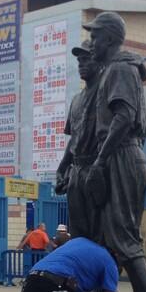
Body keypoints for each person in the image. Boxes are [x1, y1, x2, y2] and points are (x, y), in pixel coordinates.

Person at [83, 11, 146, 292]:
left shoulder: (118, 68)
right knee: (118, 232)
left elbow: (123, 117)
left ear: (110, 39)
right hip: (124, 154)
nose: (91, 43)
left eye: (94, 37)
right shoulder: (118, 68)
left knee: (122, 230)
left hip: (122, 154)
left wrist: (101, 160)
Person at [55, 41, 102, 243]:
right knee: (78, 232)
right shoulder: (76, 100)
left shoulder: (106, 93)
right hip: (77, 172)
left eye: (87, 59)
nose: (82, 64)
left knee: (101, 232)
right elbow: (74, 139)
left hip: (98, 170)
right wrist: (62, 168)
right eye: (79, 60)